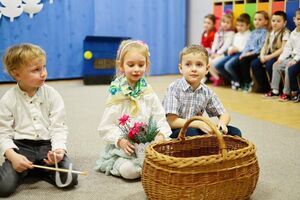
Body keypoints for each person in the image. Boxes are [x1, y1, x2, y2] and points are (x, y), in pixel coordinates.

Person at [0, 43, 78, 197]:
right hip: (21, 147)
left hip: (47, 146)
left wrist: (58, 151)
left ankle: (35, 169)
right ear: (17, 75)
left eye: (44, 67)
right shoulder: (8, 99)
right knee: (4, 187)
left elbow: (59, 127)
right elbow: (3, 133)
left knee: (70, 178)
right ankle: (31, 168)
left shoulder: (52, 94)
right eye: (36, 70)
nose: (43, 73)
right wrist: (13, 156)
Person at [95, 40, 171, 179]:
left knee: (171, 160)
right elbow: (106, 126)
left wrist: (161, 135)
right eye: (131, 65)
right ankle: (119, 164)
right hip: (125, 148)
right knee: (129, 171)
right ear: (121, 66)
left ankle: (148, 167)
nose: (136, 69)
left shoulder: (148, 92)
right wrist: (120, 141)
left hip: (147, 144)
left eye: (141, 65)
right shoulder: (116, 94)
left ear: (147, 66)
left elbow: (159, 117)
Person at [162, 45, 242, 138]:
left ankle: (215, 149)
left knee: (235, 132)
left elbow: (224, 114)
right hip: (176, 130)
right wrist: (198, 124)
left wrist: (222, 123)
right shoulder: (174, 88)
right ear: (181, 68)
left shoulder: (207, 91)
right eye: (188, 64)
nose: (194, 69)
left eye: (199, 64)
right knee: (192, 134)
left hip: (196, 128)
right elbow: (171, 122)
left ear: (207, 69)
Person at [265, 9, 300, 101]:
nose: (299, 21)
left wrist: (295, 60)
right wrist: (281, 59)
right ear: (294, 19)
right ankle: (275, 90)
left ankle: (286, 93)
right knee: (276, 65)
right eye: (298, 19)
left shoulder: (287, 33)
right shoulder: (293, 33)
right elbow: (287, 48)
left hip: (297, 58)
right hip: (292, 57)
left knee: (289, 68)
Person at [251, 11, 290, 93]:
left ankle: (277, 88)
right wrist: (262, 55)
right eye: (273, 21)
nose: (275, 23)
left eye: (278, 21)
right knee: (255, 63)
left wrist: (269, 57)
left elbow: (282, 49)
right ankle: (265, 86)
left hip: (280, 56)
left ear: (285, 23)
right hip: (270, 54)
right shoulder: (270, 32)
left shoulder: (286, 32)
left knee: (270, 65)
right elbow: (265, 46)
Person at [214, 13, 251, 90]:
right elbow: (232, 45)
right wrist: (231, 49)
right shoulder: (236, 35)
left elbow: (247, 48)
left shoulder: (249, 35)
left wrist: (237, 49)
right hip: (233, 54)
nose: (239, 27)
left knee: (228, 65)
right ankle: (233, 80)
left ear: (247, 26)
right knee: (217, 65)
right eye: (238, 25)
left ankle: (238, 81)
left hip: (241, 54)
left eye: (242, 25)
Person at [238, 11, 269, 92]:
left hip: (258, 52)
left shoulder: (265, 32)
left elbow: (261, 47)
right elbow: (247, 45)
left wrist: (249, 54)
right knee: (241, 59)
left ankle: (249, 82)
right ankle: (245, 82)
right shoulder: (253, 32)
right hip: (250, 53)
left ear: (265, 21)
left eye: (259, 19)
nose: (257, 21)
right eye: (255, 19)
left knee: (246, 61)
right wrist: (243, 53)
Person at [209, 12, 235, 86]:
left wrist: (218, 54)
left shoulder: (231, 33)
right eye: (224, 22)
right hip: (215, 53)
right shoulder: (218, 33)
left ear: (231, 24)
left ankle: (218, 78)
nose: (225, 24)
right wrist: (212, 53)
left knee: (213, 62)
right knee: (206, 61)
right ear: (221, 23)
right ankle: (216, 77)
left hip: (224, 54)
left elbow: (226, 46)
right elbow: (214, 43)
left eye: (228, 22)